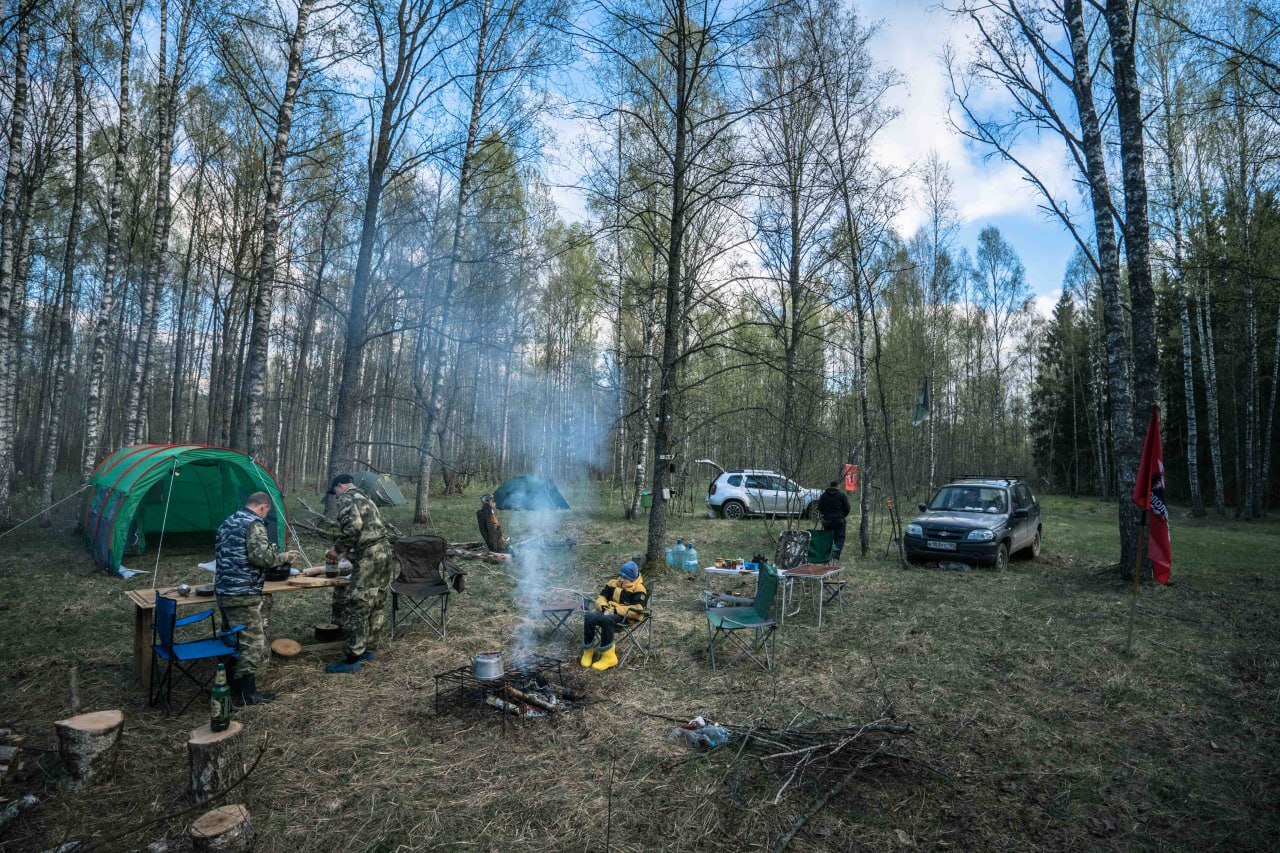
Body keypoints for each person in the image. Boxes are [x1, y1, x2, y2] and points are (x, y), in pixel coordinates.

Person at [214, 492, 298, 706]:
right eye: (267, 511)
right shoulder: (254, 524)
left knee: (233, 640)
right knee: (251, 644)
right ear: (263, 507)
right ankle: (247, 695)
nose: (266, 514)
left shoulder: (229, 521)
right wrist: (285, 557)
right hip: (243, 593)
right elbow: (261, 557)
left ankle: (229, 685)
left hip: (224, 590)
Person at [324, 474, 395, 674]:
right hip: (384, 551)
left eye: (335, 492)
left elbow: (353, 529)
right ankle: (369, 649)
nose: (336, 496)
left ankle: (353, 657)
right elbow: (369, 528)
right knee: (377, 602)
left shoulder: (348, 498)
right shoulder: (366, 497)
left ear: (340, 486)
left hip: (370, 554)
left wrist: (337, 550)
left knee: (359, 603)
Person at [581, 560, 648, 672]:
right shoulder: (612, 583)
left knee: (606, 620)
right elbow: (601, 598)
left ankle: (609, 657)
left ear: (632, 578)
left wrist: (615, 610)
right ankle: (588, 652)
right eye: (620, 575)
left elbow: (638, 610)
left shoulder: (639, 589)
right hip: (607, 611)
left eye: (624, 577)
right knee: (589, 617)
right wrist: (604, 607)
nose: (620, 579)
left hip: (625, 616)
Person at [817, 481, 851, 560]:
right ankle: (835, 554)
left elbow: (820, 507)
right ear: (837, 486)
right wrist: (843, 516)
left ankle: (828, 554)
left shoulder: (824, 495)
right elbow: (847, 508)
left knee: (828, 537)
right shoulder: (842, 495)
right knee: (840, 537)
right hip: (839, 520)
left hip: (827, 520)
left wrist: (825, 516)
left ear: (830, 486)